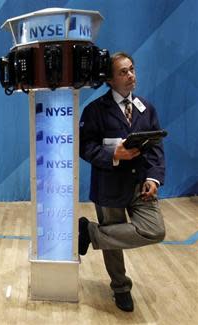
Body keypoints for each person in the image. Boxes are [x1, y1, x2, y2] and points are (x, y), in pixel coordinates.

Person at [78, 52, 166, 312]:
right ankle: (120, 288)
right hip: (109, 186)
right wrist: (112, 154)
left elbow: (156, 148)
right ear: (109, 79)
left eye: (132, 70)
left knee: (155, 230)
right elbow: (84, 147)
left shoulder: (146, 108)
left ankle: (90, 232)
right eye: (123, 72)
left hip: (140, 185)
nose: (131, 76)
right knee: (114, 245)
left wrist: (154, 178)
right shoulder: (95, 111)